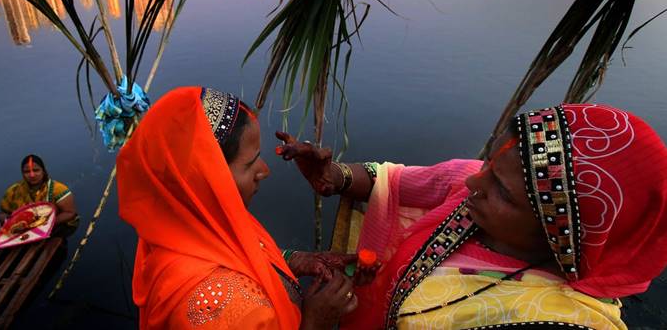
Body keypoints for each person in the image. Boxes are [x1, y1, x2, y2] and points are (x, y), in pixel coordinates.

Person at [277, 104, 667, 329]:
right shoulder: (475, 189)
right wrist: (332, 178)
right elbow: (392, 179)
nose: (474, 181)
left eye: (501, 189)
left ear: (561, 236)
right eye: (491, 161)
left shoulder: (554, 317)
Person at [117, 87, 378, 329]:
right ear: (206, 178)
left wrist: (294, 262)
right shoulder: (231, 312)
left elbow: (240, 255)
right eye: (249, 164)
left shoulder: (179, 218)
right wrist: (313, 322)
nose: (263, 171)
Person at [0, 154, 78, 229]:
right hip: (23, 227)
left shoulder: (58, 189)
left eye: (36, 170)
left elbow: (70, 213)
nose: (32, 175)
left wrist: (45, 224)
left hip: (54, 225)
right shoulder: (13, 191)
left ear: (43, 171)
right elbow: (2, 214)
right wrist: (9, 221)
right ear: (22, 173)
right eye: (27, 172)